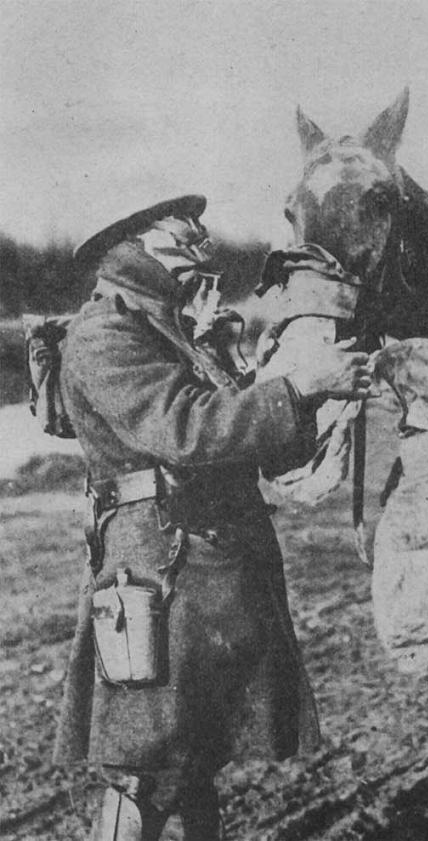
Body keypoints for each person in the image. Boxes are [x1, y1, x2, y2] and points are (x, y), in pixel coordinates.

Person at [52, 194, 372, 840]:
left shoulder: (174, 327)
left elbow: (239, 432)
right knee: (148, 767)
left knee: (195, 753)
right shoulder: (103, 333)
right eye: (183, 224)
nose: (200, 235)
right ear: (134, 240)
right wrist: (297, 388)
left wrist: (304, 390)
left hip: (199, 568)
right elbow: (187, 429)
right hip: (157, 573)